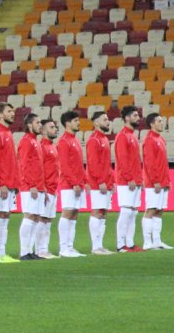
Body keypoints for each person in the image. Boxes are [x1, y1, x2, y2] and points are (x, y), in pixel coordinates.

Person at [0, 103, 20, 262]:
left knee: (5, 215)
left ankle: (2, 251)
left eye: (12, 110)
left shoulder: (7, 132)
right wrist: (1, 182)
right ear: (0, 115)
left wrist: (15, 182)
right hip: (3, 183)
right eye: (9, 111)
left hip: (11, 182)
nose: (13, 113)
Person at [57, 110, 88, 258]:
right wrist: (74, 182)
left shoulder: (75, 140)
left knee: (74, 215)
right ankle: (63, 248)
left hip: (77, 183)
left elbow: (78, 164)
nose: (78, 122)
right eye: (75, 120)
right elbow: (64, 165)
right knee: (68, 213)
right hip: (69, 184)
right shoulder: (64, 141)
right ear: (67, 123)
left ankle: (70, 246)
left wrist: (84, 181)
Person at [114, 105, 144, 253]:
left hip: (135, 180)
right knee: (126, 211)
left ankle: (130, 243)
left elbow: (135, 160)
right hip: (126, 181)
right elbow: (122, 159)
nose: (138, 118)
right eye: (135, 116)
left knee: (133, 212)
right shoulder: (122, 136)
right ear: (127, 118)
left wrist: (140, 178)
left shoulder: (132, 135)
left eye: (138, 116)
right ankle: (120, 245)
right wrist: (129, 177)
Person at [17, 113, 46, 261]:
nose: (40, 125)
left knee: (35, 218)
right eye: (38, 122)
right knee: (29, 216)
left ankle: (31, 250)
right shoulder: (26, 141)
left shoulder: (35, 141)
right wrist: (32, 185)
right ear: (29, 125)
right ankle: (23, 251)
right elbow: (24, 164)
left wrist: (42, 186)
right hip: (30, 187)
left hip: (38, 186)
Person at [141, 113, 173, 250]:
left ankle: (157, 240)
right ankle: (147, 242)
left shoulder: (160, 139)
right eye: (159, 121)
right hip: (154, 183)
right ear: (152, 124)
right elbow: (149, 163)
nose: (162, 123)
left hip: (163, 181)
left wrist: (167, 180)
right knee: (151, 209)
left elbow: (163, 163)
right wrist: (155, 181)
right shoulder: (149, 140)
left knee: (159, 210)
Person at [86, 111, 115, 256]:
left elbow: (106, 164)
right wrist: (101, 180)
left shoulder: (103, 139)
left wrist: (111, 180)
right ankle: (95, 246)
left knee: (103, 213)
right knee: (97, 211)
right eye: (105, 119)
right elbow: (93, 163)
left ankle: (100, 245)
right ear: (96, 123)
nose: (108, 121)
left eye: (108, 119)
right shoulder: (94, 140)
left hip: (106, 182)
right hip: (98, 183)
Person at [37, 119, 60, 259]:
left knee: (48, 220)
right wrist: (43, 187)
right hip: (46, 188)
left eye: (55, 126)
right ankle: (39, 249)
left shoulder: (52, 146)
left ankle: (44, 249)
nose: (55, 129)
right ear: (43, 131)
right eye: (52, 127)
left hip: (53, 187)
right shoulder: (42, 147)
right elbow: (39, 169)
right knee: (42, 219)